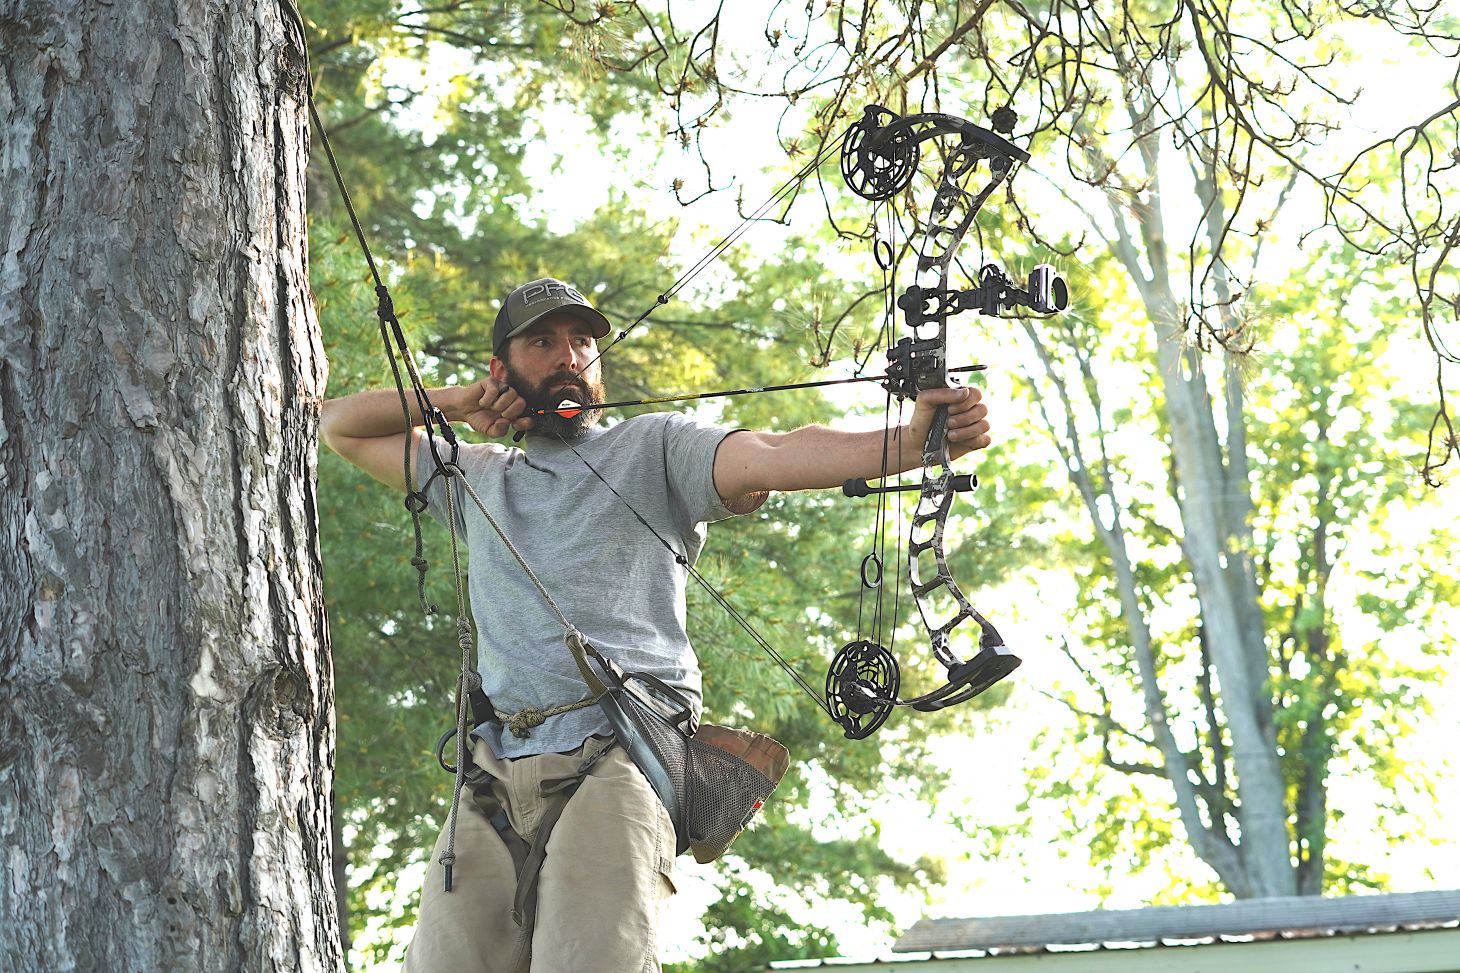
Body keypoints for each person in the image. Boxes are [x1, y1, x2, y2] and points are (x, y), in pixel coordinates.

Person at [319, 277, 991, 973]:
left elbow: (771, 453)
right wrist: (459, 402)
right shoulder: (477, 476)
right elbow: (337, 425)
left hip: (619, 754)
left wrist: (911, 443)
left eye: (581, 341)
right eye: (542, 342)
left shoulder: (654, 447)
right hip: (493, 773)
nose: (568, 356)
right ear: (502, 369)